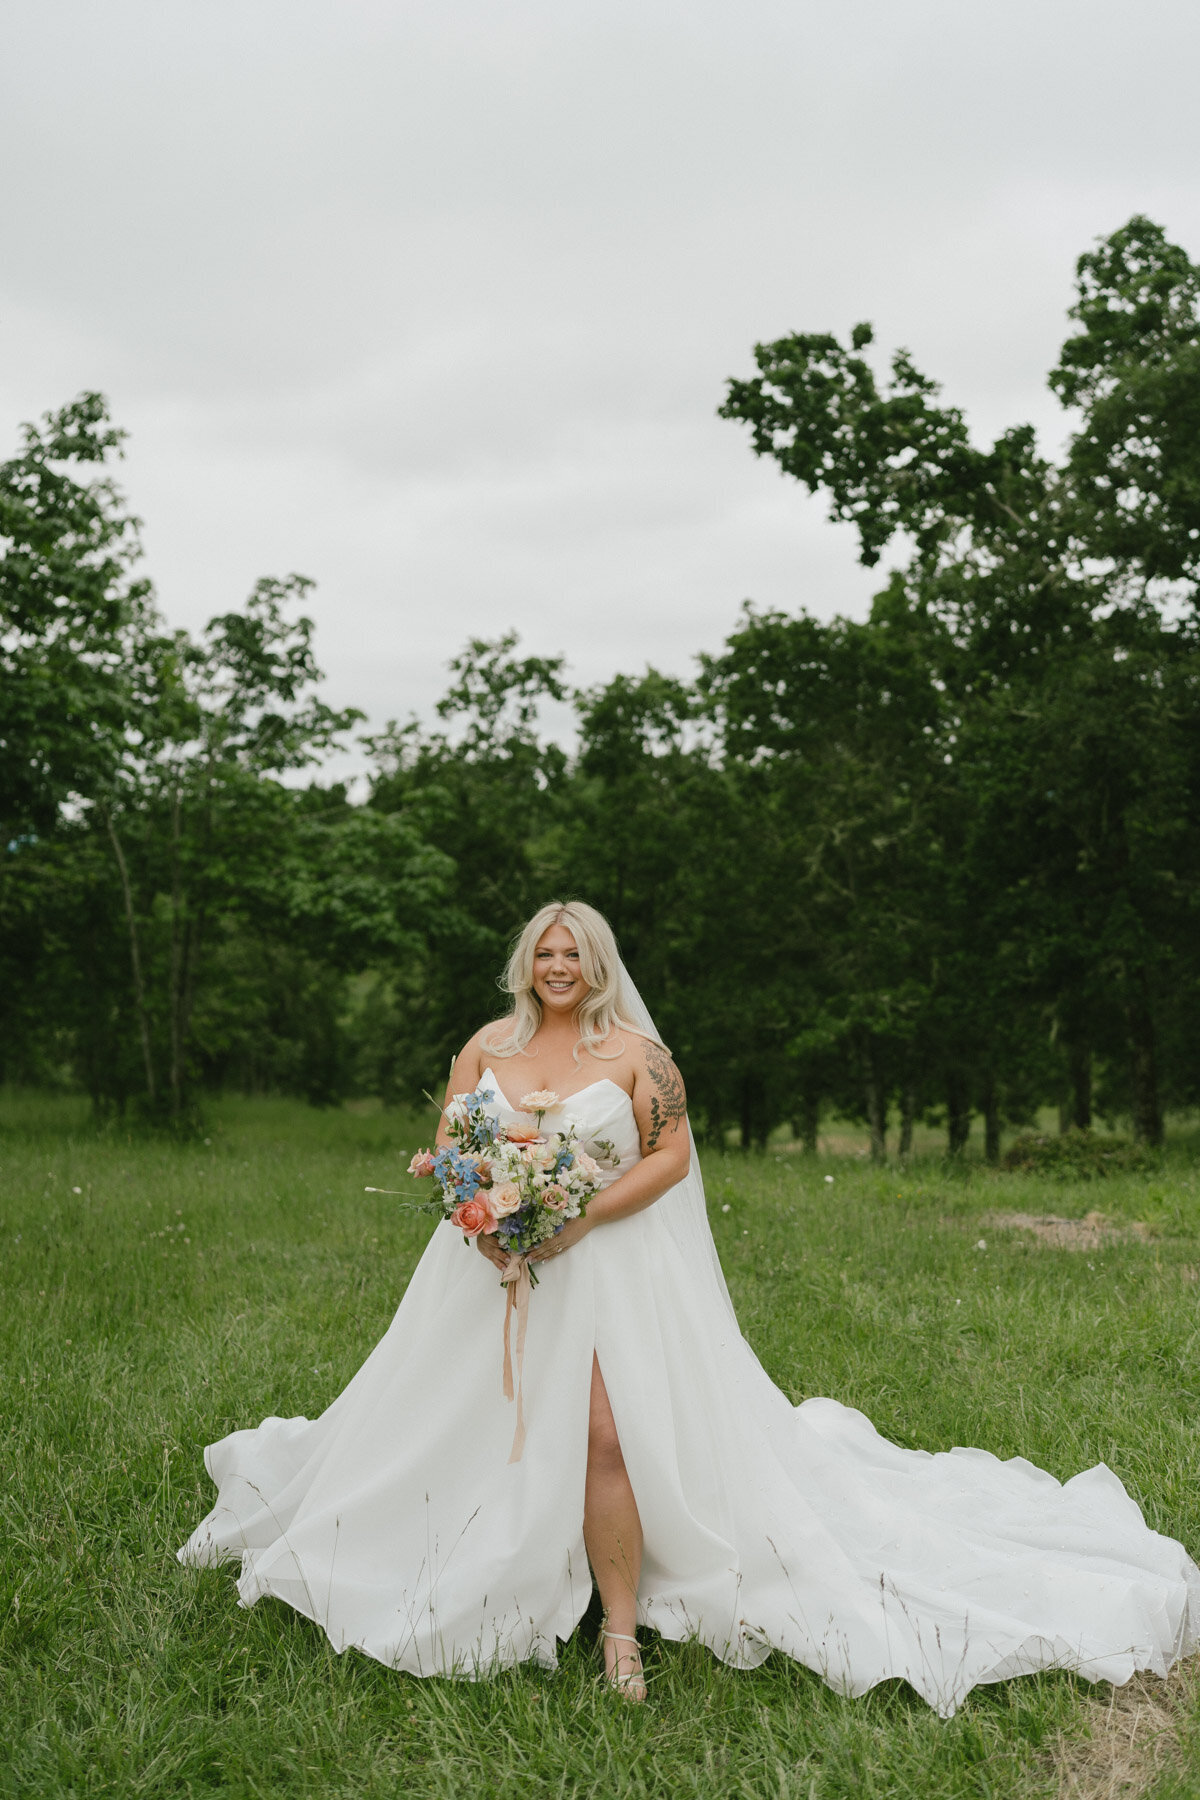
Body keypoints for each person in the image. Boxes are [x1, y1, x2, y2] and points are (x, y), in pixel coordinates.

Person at [180, 900, 1200, 1714]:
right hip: (491, 1271)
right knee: (469, 1425)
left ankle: (620, 1630)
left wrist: (579, 1216)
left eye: (575, 953)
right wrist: (484, 1220)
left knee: (607, 1435)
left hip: (610, 1270)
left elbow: (670, 1154)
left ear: (600, 965)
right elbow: (454, 1148)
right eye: (545, 952)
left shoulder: (637, 1055)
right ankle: (479, 1569)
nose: (559, 966)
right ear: (525, 965)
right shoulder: (484, 1046)